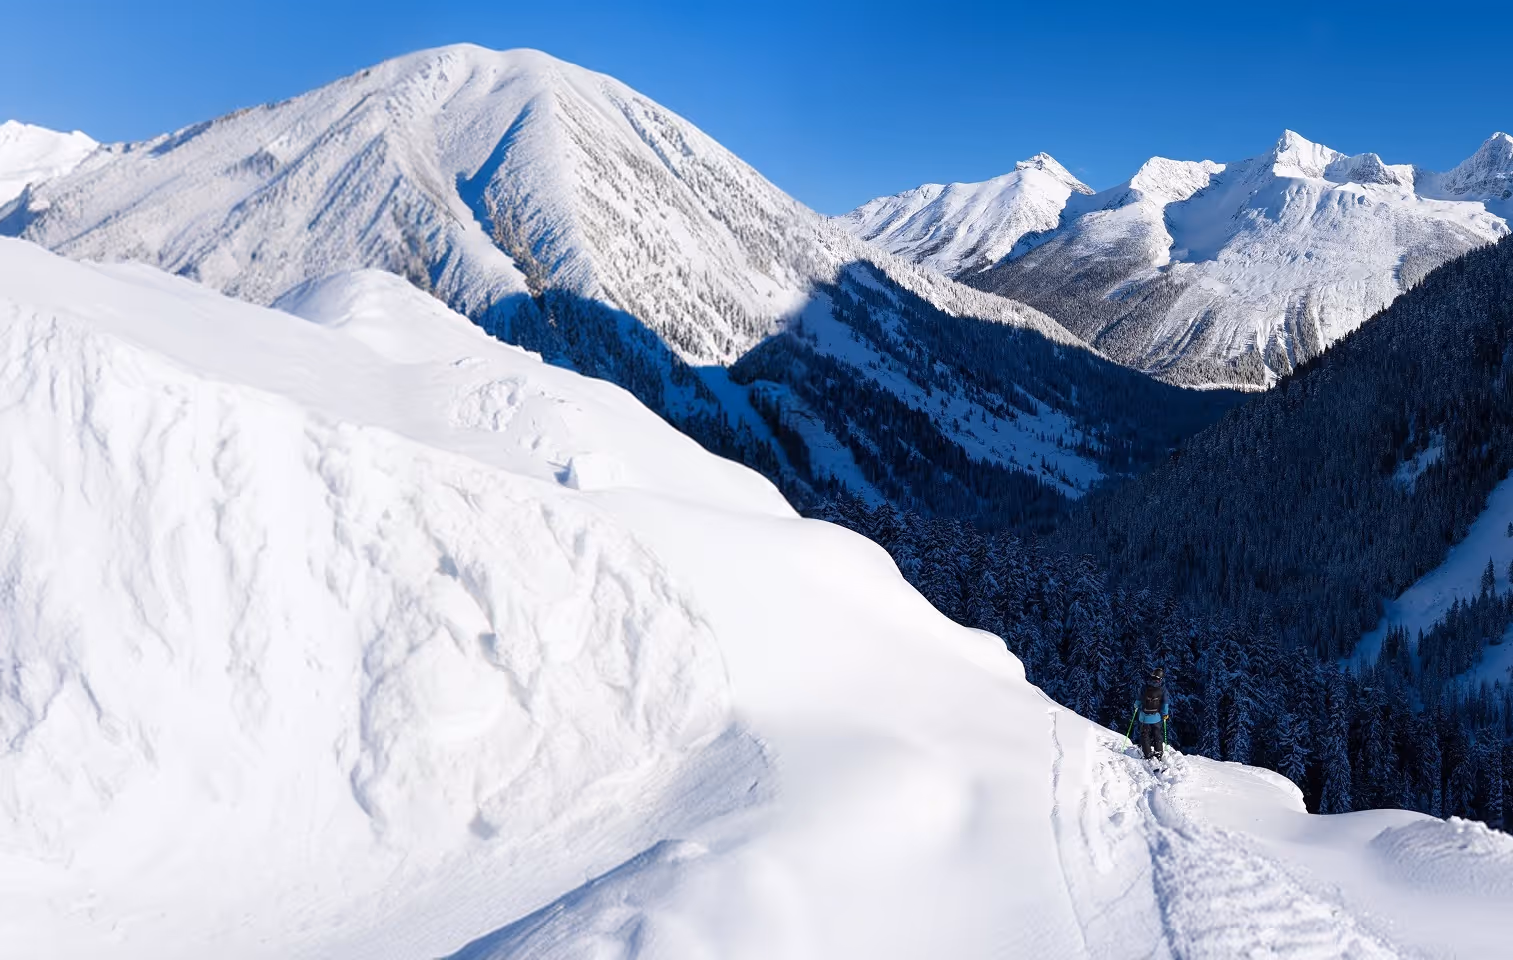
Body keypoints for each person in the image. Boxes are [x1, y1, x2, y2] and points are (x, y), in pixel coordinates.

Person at [1133, 666, 1169, 761]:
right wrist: (1165, 714)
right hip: (1156, 717)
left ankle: (1147, 753)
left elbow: (1139, 699)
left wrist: (1136, 706)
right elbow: (1165, 702)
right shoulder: (1162, 688)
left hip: (1144, 717)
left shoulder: (1145, 686)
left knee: (1145, 735)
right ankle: (1159, 752)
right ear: (1160, 678)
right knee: (1157, 734)